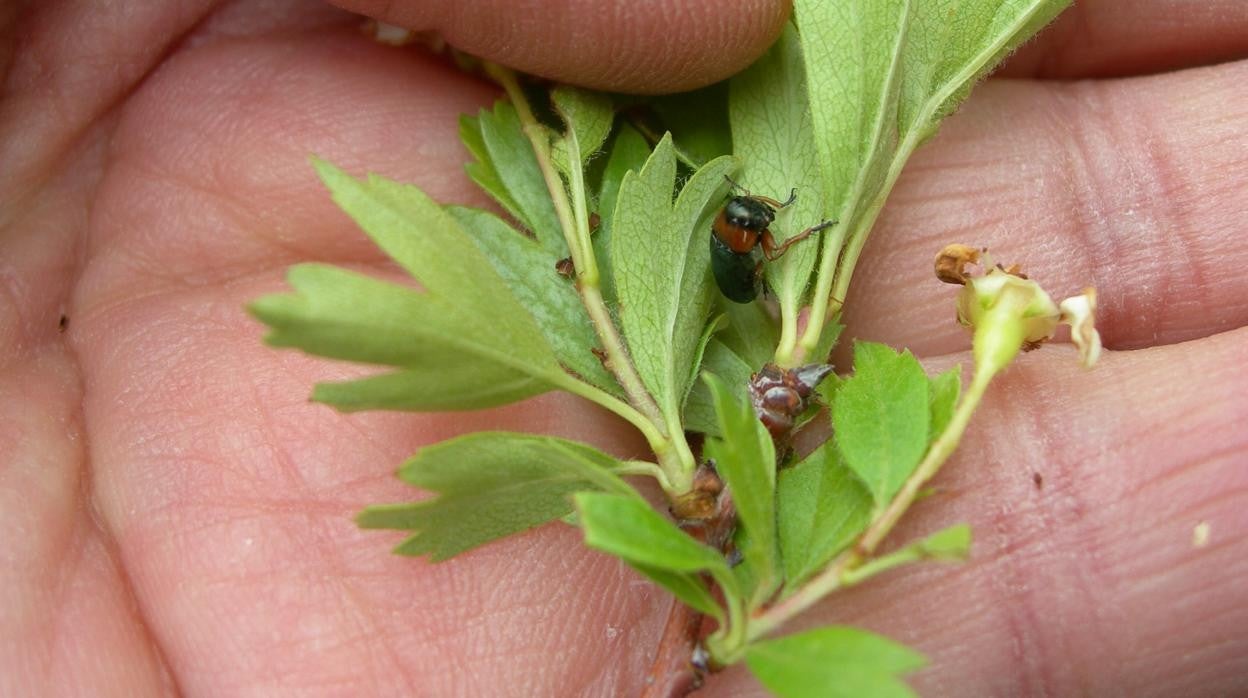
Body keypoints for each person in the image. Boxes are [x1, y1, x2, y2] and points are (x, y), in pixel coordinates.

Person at [2, 0, 1245, 694]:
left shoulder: (747, 248)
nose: (748, 228)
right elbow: (734, 240)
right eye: (751, 225)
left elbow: (742, 238)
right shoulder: (735, 247)